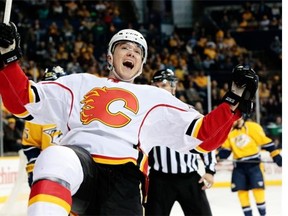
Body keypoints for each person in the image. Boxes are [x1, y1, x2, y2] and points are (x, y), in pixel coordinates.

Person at [0, 22, 258, 216]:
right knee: (54, 156)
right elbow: (22, 101)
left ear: (142, 65)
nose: (131, 53)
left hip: (123, 179)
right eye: (125, 48)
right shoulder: (79, 82)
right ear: (110, 57)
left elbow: (204, 138)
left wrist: (233, 100)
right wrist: (8, 59)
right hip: (81, 166)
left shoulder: (156, 97)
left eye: (138, 51)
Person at [145, 69, 216, 216]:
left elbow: (206, 138)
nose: (160, 90)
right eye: (156, 86)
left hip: (189, 179)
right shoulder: (147, 115)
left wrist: (210, 171)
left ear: (173, 87)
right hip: (160, 180)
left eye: (163, 85)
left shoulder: (188, 112)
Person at [217, 118, 282, 216]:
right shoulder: (229, 132)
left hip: (254, 165)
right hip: (239, 167)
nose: (236, 120)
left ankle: (263, 214)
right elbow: (226, 150)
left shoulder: (252, 127)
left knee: (258, 191)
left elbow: (266, 143)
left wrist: (276, 155)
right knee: (242, 193)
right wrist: (217, 157)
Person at [21, 66, 67, 187]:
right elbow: (30, 144)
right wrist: (34, 170)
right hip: (48, 171)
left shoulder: (79, 108)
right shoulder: (36, 114)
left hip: (74, 168)